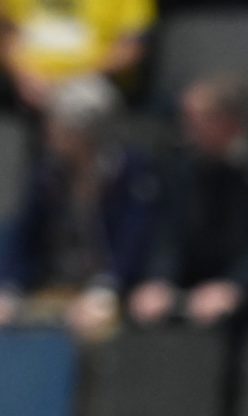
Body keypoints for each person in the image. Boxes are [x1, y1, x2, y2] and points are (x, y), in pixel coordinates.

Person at [128, 75, 248, 330]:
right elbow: (170, 231)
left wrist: (237, 286)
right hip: (196, 287)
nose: (186, 132)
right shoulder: (183, 163)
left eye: (195, 122)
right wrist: (159, 280)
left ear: (228, 122)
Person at [0, 76, 159, 341]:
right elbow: (23, 234)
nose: (49, 133)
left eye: (59, 127)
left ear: (86, 133)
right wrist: (9, 288)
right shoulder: (48, 174)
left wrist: (106, 291)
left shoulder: (131, 173)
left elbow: (134, 241)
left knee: (97, 325)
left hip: (111, 288)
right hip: (52, 286)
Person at [0, 0, 152, 113]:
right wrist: (22, 73)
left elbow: (131, 48)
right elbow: (6, 31)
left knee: (80, 105)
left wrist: (69, 79)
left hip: (91, 79)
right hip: (25, 78)